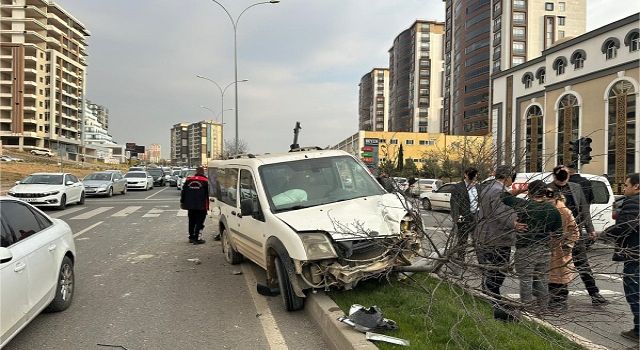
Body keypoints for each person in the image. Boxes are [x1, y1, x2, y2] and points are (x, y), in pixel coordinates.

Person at [548, 165, 608, 305]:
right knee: (558, 266)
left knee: (583, 264)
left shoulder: (575, 187)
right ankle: (558, 298)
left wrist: (590, 229)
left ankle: (594, 293)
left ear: (569, 175)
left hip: (574, 232)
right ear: (554, 176)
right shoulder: (548, 189)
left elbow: (584, 209)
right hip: (556, 235)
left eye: (566, 174)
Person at [502, 180, 562, 309]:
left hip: (525, 249)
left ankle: (527, 307)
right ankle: (543, 307)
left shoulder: (523, 205)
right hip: (544, 249)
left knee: (526, 280)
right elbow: (558, 234)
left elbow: (504, 196)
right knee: (542, 280)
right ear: (545, 193)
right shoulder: (553, 210)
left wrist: (522, 189)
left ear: (530, 192)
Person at [474, 165, 527, 298]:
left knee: (490, 270)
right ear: (507, 177)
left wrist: (518, 192)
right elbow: (501, 211)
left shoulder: (489, 187)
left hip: (486, 235)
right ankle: (493, 298)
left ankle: (488, 295)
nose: (512, 181)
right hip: (497, 237)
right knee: (498, 271)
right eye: (512, 178)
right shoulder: (498, 190)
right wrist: (514, 224)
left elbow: (502, 197)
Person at [606, 173, 639, 341]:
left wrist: (604, 234)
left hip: (635, 254)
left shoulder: (633, 202)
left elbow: (625, 227)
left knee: (634, 290)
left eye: (626, 185)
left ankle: (639, 330)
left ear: (637, 186)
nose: (624, 188)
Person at [547, 191, 580, 312]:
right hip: (550, 248)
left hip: (560, 249)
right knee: (551, 276)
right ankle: (552, 300)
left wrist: (567, 245)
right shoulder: (547, 208)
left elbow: (574, 231)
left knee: (560, 277)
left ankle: (560, 301)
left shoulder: (564, 211)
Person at [450, 167, 479, 262]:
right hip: (464, 217)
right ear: (465, 175)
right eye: (471, 175)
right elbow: (454, 203)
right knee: (462, 239)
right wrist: (456, 217)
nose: (473, 177)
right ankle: (461, 259)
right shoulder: (458, 187)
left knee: (478, 240)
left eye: (475, 175)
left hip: (476, 216)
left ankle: (481, 262)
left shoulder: (478, 187)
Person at [180, 166, 209, 244]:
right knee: (200, 222)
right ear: (203, 172)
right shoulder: (206, 181)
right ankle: (197, 238)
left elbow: (183, 192)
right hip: (201, 206)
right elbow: (209, 194)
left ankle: (191, 237)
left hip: (190, 206)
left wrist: (182, 202)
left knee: (191, 221)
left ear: (196, 172)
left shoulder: (189, 180)